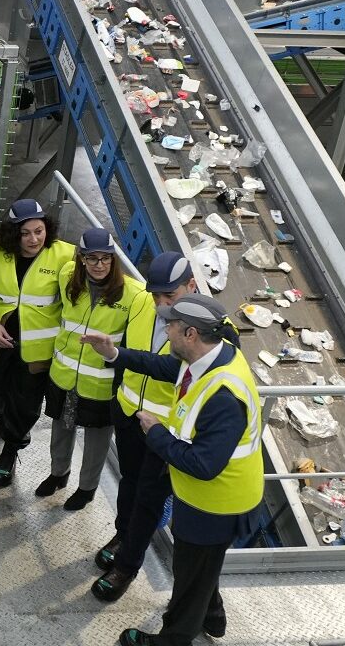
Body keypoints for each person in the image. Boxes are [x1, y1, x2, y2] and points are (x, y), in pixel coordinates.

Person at [79, 293, 263, 646]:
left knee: (189, 577)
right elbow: (160, 366)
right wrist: (114, 353)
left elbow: (204, 465)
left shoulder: (224, 396)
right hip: (206, 500)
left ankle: (173, 639)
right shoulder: (212, 356)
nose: (166, 331)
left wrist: (157, 434)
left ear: (190, 334)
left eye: (172, 326)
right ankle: (213, 616)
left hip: (215, 506)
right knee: (200, 569)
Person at [90, 252, 239, 602]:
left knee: (149, 498)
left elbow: (171, 369)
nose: (161, 305)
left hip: (168, 430)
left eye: (169, 296)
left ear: (191, 285)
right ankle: (122, 535)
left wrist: (117, 356)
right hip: (130, 413)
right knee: (129, 483)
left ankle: (127, 567)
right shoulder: (142, 303)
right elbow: (129, 341)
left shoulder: (216, 329)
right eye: (156, 295)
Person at [36, 227, 143, 510]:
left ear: (113, 259)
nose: (99, 265)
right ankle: (58, 474)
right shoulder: (68, 277)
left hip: (101, 384)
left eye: (105, 258)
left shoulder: (133, 294)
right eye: (92, 258)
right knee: (61, 429)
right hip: (64, 376)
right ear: (81, 258)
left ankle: (86, 489)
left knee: (97, 442)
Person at [0, 198, 75, 487]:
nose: (33, 239)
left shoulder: (65, 255)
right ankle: (3, 420)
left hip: (36, 350)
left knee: (26, 401)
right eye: (25, 233)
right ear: (13, 234)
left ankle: (11, 447)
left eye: (39, 231)